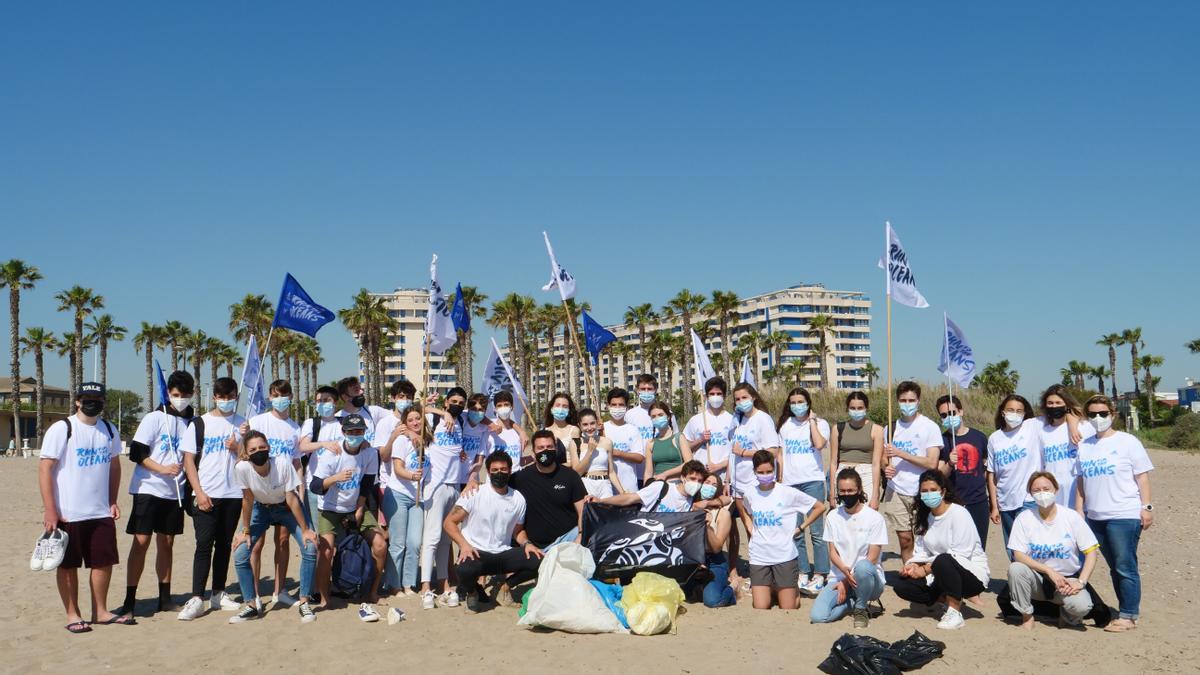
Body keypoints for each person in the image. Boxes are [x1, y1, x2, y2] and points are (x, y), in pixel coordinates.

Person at [38, 382, 135, 633]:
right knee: (68, 564)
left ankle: (100, 611)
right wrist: (50, 510)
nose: (93, 402)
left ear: (104, 401)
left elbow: (115, 467)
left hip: (100, 511)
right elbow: (45, 468)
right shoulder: (63, 428)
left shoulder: (108, 429)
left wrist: (112, 500)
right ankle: (73, 614)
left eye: (98, 398)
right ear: (78, 401)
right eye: (87, 398)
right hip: (68, 511)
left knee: (103, 562)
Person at [1074, 394, 1153, 633]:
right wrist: (1080, 509)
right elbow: (1081, 480)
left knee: (1124, 565)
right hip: (1095, 517)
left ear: (1113, 414)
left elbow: (1142, 476)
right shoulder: (1085, 445)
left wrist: (1147, 507)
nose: (1098, 418)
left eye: (1103, 413)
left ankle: (1129, 615)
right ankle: (1124, 610)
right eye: (1093, 414)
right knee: (1113, 566)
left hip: (1124, 514)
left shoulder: (1127, 442)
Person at [118, 370, 194, 616]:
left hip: (175, 493)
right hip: (149, 489)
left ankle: (165, 598)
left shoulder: (191, 422)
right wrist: (162, 469)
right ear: (168, 393)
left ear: (192, 395)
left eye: (184, 395)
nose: (179, 398)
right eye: (175, 394)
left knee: (167, 543)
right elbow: (137, 453)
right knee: (141, 542)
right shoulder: (154, 418)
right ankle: (130, 601)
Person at [229, 430, 319, 624]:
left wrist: (305, 530)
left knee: (310, 546)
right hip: (260, 510)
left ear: (268, 448)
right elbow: (247, 499)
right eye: (253, 449)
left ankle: (304, 601)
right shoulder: (242, 468)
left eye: (262, 447)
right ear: (246, 452)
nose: (258, 451)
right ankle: (252, 604)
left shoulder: (282, 464)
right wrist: (245, 531)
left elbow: (292, 498)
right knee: (240, 554)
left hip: (286, 507)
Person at [177, 377, 247, 620]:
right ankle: (197, 597)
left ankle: (218, 592)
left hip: (233, 494)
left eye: (231, 397)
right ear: (214, 397)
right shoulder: (199, 424)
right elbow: (188, 461)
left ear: (237, 397)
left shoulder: (242, 424)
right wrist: (199, 492)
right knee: (203, 545)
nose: (227, 401)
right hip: (206, 494)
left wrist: (237, 447)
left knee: (224, 545)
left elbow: (249, 459)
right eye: (222, 397)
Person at [309, 414, 387, 622]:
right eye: (351, 432)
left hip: (355, 505)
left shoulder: (369, 453)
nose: (355, 435)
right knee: (326, 550)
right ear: (343, 432)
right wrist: (335, 478)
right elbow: (315, 486)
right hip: (330, 509)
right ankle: (325, 597)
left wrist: (360, 509)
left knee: (380, 544)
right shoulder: (331, 454)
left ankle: (372, 592)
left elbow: (367, 483)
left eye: (359, 432)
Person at [443, 450, 543, 612]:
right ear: (488, 472)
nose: (499, 473)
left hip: (503, 553)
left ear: (510, 471)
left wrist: (527, 544)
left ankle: (504, 587)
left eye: (503, 470)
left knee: (539, 559)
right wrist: (464, 545)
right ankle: (473, 591)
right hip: (476, 552)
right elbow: (449, 522)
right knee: (464, 569)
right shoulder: (475, 493)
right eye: (495, 470)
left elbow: (518, 531)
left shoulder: (518, 498)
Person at [892, 469, 989, 631]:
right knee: (902, 585)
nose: (929, 494)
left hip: (970, 574)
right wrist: (913, 566)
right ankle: (945, 599)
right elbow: (921, 551)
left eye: (933, 490)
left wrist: (925, 569)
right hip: (939, 573)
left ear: (943, 491)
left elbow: (961, 553)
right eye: (924, 491)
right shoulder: (925, 517)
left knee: (944, 560)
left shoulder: (959, 513)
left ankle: (955, 612)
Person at [1006, 471, 1098, 630]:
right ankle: (1027, 616)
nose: (1042, 493)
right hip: (1038, 578)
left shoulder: (1071, 517)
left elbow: (1091, 552)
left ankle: (1067, 616)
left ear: (1056, 489)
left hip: (1067, 580)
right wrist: (1049, 571)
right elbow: (1018, 554)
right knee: (1015, 569)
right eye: (1036, 490)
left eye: (1046, 488)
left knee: (1082, 606)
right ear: (1030, 494)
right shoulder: (1024, 518)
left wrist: (1081, 582)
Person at [741, 451, 825, 610]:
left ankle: (792, 592)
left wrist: (801, 528)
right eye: (760, 472)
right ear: (754, 472)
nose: (765, 475)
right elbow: (745, 510)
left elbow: (819, 507)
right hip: (759, 556)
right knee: (760, 606)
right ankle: (773, 588)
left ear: (775, 470)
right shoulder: (750, 493)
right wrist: (750, 528)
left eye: (768, 471)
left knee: (788, 607)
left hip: (784, 555)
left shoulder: (787, 492)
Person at [248, 379, 303, 608]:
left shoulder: (295, 428)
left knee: (282, 541)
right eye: (276, 394)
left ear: (290, 397)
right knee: (256, 542)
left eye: (284, 394)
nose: (280, 398)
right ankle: (255, 594)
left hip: (285, 494)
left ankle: (280, 591)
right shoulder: (257, 421)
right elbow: (246, 453)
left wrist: (300, 487)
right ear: (270, 397)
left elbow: (297, 461)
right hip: (259, 492)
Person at [810, 468, 887, 628]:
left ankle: (860, 610)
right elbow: (832, 552)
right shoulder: (833, 516)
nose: (846, 494)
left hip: (868, 579)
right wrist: (842, 577)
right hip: (838, 576)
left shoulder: (874, 518)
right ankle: (851, 603)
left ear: (859, 490)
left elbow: (872, 557)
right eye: (842, 491)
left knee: (864, 566)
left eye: (850, 490)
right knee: (818, 616)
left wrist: (847, 581)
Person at [776, 387, 831, 596]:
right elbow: (781, 455)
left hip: (813, 481)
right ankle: (802, 571)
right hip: (791, 483)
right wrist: (780, 480)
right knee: (796, 531)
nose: (797, 405)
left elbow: (819, 444)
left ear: (808, 403)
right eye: (793, 402)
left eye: (801, 401)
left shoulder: (820, 423)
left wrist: (812, 422)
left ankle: (820, 573)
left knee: (817, 531)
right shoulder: (785, 426)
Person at [882, 381, 943, 563]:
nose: (907, 404)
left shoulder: (929, 427)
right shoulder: (890, 428)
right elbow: (883, 457)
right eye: (903, 400)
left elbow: (932, 462)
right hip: (896, 490)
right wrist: (887, 466)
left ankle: (926, 572)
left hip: (921, 490)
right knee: (905, 539)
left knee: (925, 538)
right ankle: (909, 570)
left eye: (911, 400)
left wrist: (902, 454)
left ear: (918, 400)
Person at [418, 387, 466, 610]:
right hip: (435, 486)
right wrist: (440, 411)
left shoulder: (462, 422)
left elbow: (482, 417)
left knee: (447, 538)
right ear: (446, 402)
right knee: (432, 536)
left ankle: (444, 583)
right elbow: (416, 410)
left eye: (461, 401)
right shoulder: (435, 418)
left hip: (454, 485)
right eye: (453, 401)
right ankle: (426, 587)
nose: (457, 404)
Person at [729, 382, 779, 593]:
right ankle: (756, 571)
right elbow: (731, 452)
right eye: (737, 399)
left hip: (755, 483)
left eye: (744, 397)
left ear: (754, 397)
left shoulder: (763, 419)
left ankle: (767, 573)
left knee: (760, 529)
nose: (741, 402)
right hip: (738, 483)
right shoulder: (739, 420)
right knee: (749, 529)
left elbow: (772, 451)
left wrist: (745, 453)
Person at [378, 404, 428, 598]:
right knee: (397, 543)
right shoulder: (401, 441)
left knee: (415, 542)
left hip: (418, 498)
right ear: (404, 424)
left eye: (418, 418)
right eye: (410, 420)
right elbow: (397, 468)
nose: (415, 422)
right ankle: (394, 584)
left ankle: (408, 583)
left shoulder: (427, 441)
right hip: (398, 494)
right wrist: (411, 476)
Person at [936, 395, 993, 550]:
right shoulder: (941, 441)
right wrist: (949, 463)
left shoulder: (979, 437)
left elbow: (986, 470)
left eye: (952, 413)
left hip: (978, 501)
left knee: (979, 545)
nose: (949, 417)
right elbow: (939, 476)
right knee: (954, 546)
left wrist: (993, 503)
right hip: (952, 502)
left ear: (960, 411)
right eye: (944, 415)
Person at [986, 394, 1041, 551]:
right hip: (1005, 502)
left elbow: (1060, 413)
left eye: (1019, 411)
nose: (1014, 414)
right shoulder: (995, 438)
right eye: (1010, 410)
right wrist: (994, 506)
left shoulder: (1032, 427)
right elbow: (992, 475)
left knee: (1028, 545)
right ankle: (1018, 575)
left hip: (1028, 499)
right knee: (1012, 546)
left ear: (1025, 414)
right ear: (1003, 412)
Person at [1036, 385, 1092, 508]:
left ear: (1067, 404)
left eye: (1058, 402)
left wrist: (1072, 424)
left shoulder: (1084, 426)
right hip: (1054, 494)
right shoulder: (1042, 431)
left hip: (1078, 493)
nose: (1054, 406)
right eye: (1050, 403)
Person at [828, 391, 884, 507]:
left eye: (860, 408)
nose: (856, 411)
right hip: (843, 471)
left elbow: (876, 464)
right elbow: (833, 463)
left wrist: (875, 494)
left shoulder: (876, 429)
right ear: (847, 408)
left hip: (866, 472)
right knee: (843, 512)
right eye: (853, 408)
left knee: (866, 513)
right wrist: (832, 492)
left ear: (866, 408)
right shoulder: (837, 429)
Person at [298, 385, 344, 523]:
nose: (322, 403)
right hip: (314, 486)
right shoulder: (312, 423)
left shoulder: (343, 423)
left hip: (340, 485)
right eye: (319, 401)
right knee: (317, 531)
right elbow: (303, 447)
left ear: (335, 403)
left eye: (326, 400)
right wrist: (323, 444)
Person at [594, 459, 707, 514]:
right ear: (683, 477)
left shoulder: (695, 501)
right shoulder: (661, 488)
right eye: (692, 479)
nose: (696, 483)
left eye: (700, 481)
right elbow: (630, 498)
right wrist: (601, 501)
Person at [681, 376, 736, 483]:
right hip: (699, 477)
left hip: (724, 477)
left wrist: (718, 466)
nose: (715, 397)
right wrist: (700, 440)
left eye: (719, 394)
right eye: (712, 394)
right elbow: (685, 448)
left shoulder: (733, 420)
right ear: (706, 397)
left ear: (724, 396)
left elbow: (735, 452)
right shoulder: (695, 420)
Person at [694, 473, 735, 607]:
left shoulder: (723, 513)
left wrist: (708, 527)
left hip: (714, 561)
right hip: (693, 561)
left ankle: (733, 588)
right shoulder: (690, 507)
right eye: (706, 482)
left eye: (714, 485)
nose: (709, 487)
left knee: (713, 601)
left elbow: (717, 547)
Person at [604, 388, 644, 495]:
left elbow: (639, 458)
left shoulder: (633, 429)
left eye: (621, 405)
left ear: (626, 407)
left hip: (629, 488)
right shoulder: (602, 429)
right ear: (608, 406)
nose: (617, 408)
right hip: (606, 490)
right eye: (614, 404)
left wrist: (618, 453)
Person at [572, 408, 620, 497]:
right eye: (585, 425)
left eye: (592, 423)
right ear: (579, 426)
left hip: (605, 485)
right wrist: (590, 451)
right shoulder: (575, 443)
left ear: (597, 423)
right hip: (586, 484)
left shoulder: (607, 442)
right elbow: (576, 473)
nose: (589, 428)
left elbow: (611, 472)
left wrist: (622, 492)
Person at [335, 376, 394, 445]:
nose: (361, 392)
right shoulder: (336, 419)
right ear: (345, 397)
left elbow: (396, 416)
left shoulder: (373, 411)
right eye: (356, 390)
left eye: (360, 388)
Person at [644, 401, 692, 483]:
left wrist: (665, 474)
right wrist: (646, 488)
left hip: (677, 485)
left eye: (660, 415)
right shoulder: (650, 443)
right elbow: (648, 472)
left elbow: (689, 463)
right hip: (657, 486)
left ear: (668, 417)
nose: (657, 418)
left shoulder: (679, 438)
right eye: (653, 416)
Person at [490, 391, 529, 471]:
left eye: (506, 404)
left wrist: (533, 458)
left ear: (512, 407)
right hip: (496, 480)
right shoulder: (489, 428)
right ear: (495, 408)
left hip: (516, 479)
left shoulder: (518, 433)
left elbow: (519, 461)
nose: (503, 408)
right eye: (499, 405)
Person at [543, 391, 580, 466]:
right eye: (557, 405)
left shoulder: (574, 430)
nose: (561, 409)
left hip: (568, 473)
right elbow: (542, 458)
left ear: (569, 411)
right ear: (551, 409)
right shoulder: (544, 431)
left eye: (565, 406)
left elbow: (577, 458)